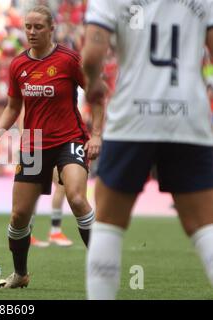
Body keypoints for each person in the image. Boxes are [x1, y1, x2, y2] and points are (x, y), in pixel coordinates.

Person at [83, 0, 213, 299]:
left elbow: (91, 56)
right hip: (188, 117)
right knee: (204, 225)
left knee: (109, 223)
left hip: (132, 118)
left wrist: (93, 83)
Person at [0, 5, 104, 289]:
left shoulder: (69, 60)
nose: (32, 32)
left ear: (51, 29)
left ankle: (101, 267)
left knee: (77, 198)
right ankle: (20, 275)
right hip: (33, 145)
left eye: (38, 27)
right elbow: (13, 107)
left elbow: (96, 95)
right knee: (19, 215)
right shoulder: (18, 65)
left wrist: (95, 135)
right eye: (28, 27)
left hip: (69, 139)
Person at [30, 167, 74, 248]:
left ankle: (55, 231)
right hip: (32, 155)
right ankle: (27, 234)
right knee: (32, 186)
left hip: (51, 154)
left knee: (61, 183)